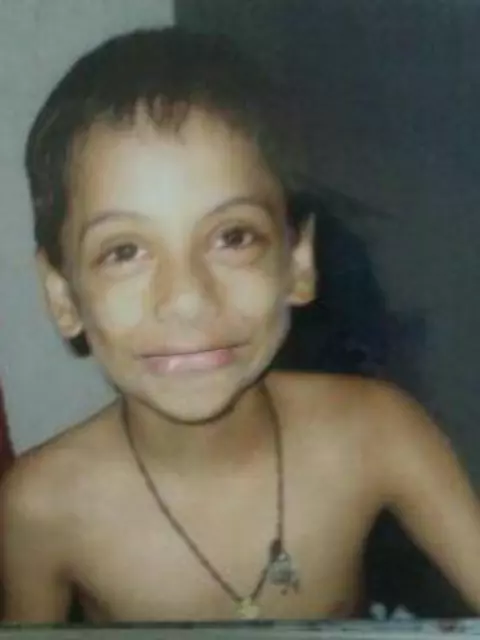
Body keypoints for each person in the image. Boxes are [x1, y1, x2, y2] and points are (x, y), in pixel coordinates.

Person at [2, 26, 480, 623]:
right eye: (124, 251)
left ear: (297, 264)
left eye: (233, 237)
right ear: (63, 295)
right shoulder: (40, 507)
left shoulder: (379, 432)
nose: (187, 299)